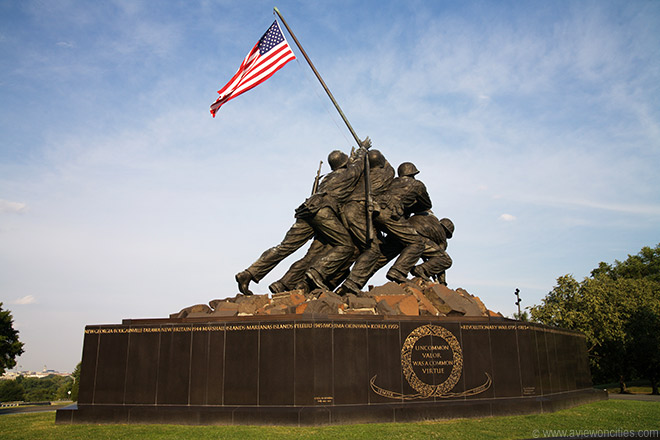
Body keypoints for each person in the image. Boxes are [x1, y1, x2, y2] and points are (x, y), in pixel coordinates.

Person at [235, 144, 367, 295]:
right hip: (323, 212)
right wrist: (362, 150)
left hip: (307, 210)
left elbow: (351, 166)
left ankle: (248, 273)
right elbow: (357, 167)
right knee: (346, 246)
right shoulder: (347, 174)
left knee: (284, 247)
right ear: (344, 163)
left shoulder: (329, 177)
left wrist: (352, 157)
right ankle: (318, 272)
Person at [336, 162, 432, 294]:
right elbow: (426, 204)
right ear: (413, 174)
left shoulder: (391, 183)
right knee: (417, 243)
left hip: (374, 212)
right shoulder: (417, 185)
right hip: (390, 214)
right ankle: (398, 272)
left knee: (379, 252)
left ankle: (353, 283)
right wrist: (408, 206)